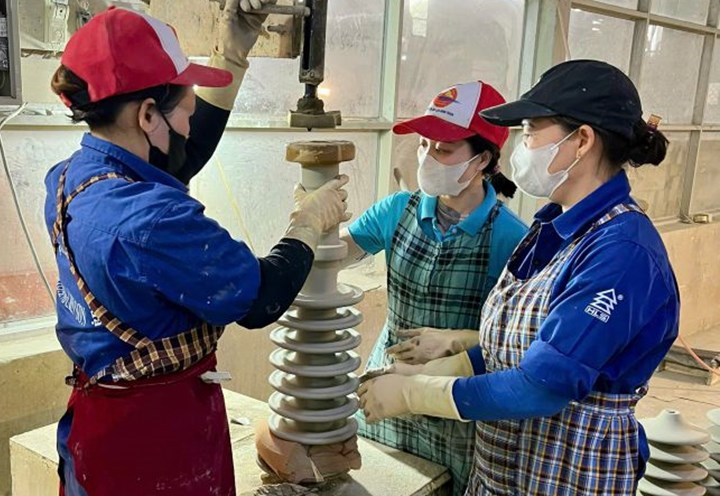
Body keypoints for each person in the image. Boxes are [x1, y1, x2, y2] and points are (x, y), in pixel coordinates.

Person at [44, 4, 349, 496]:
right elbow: (260, 299)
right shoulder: (154, 220)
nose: (191, 121)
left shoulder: (72, 179)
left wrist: (234, 50)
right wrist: (307, 224)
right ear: (147, 115)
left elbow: (179, 155)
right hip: (154, 444)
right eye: (186, 105)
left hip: (101, 419)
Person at [358, 60, 679, 496]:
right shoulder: (554, 229)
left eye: (529, 131)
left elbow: (542, 385)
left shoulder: (621, 253)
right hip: (506, 463)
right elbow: (516, 345)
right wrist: (432, 366)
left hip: (568, 470)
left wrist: (415, 395)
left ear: (581, 140)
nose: (521, 148)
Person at [342, 81, 527, 493]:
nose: (427, 157)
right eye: (424, 145)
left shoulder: (509, 238)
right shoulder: (397, 210)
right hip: (387, 381)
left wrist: (458, 345)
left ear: (482, 160)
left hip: (452, 395)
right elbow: (338, 253)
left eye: (443, 150)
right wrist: (312, 228)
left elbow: (515, 345)